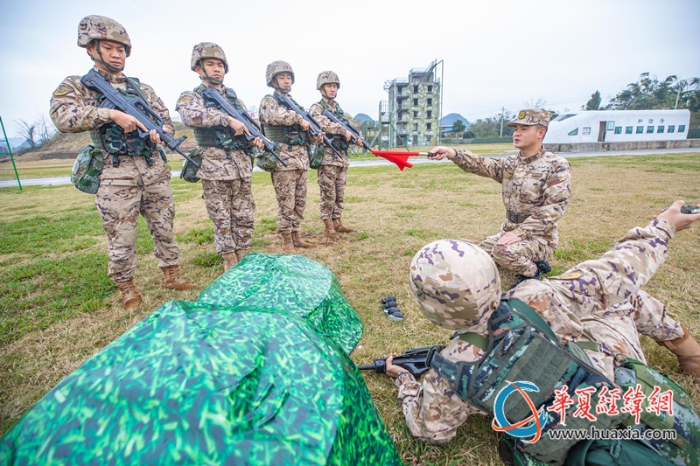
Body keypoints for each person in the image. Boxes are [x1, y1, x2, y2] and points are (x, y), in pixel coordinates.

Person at [383, 201, 700, 446]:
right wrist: (663, 226)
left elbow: (431, 432)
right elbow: (615, 273)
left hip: (555, 434)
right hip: (606, 390)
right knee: (624, 297)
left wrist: (406, 384)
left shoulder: (448, 371)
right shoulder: (538, 294)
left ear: (428, 308)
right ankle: (692, 356)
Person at [50, 15, 194, 311]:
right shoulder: (78, 85)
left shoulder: (142, 89)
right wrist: (110, 115)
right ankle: (127, 288)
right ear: (91, 49)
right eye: (109, 48)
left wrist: (161, 133)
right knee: (121, 234)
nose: (117, 54)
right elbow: (62, 116)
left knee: (164, 225)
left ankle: (172, 276)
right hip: (116, 172)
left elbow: (165, 120)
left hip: (152, 167)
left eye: (121, 49)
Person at [428, 109, 571, 285]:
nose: (517, 133)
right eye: (516, 128)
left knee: (503, 252)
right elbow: (481, 164)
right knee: (479, 253)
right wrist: (452, 153)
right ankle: (525, 258)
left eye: (524, 129)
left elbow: (555, 208)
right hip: (509, 231)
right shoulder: (510, 163)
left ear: (541, 133)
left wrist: (521, 232)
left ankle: (533, 271)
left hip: (539, 237)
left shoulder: (556, 165)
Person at [176, 42, 263, 272]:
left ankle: (244, 258)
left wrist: (255, 139)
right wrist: (226, 119)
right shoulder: (192, 96)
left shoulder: (235, 99)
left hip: (241, 165)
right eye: (211, 64)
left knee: (244, 214)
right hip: (215, 166)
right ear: (198, 68)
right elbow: (189, 115)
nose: (217, 69)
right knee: (221, 217)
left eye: (220, 65)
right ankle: (229, 262)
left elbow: (248, 126)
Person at [259, 61, 321, 254]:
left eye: (288, 77)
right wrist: (299, 119)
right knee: (286, 202)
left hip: (301, 160)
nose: (286, 81)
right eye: (282, 77)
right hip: (283, 159)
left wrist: (313, 134)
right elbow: (273, 116)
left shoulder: (294, 104)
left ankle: (296, 235)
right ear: (273, 80)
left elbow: (305, 131)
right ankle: (286, 238)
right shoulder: (269, 101)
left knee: (300, 201)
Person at [308, 71, 362, 240]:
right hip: (327, 156)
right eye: (329, 86)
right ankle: (328, 225)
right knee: (328, 192)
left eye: (334, 86)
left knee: (339, 192)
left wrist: (356, 137)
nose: (332, 89)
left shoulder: (338, 109)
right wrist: (342, 130)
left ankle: (337, 221)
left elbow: (347, 126)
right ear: (321, 89)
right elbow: (321, 123)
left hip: (341, 157)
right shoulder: (317, 108)